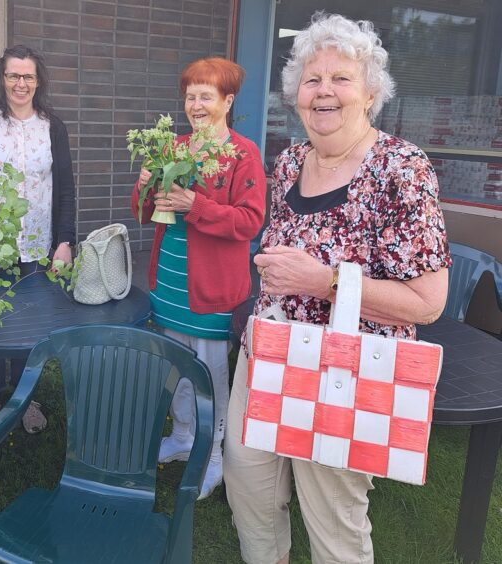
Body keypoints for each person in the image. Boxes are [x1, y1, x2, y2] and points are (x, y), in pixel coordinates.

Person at [222, 13, 452, 564]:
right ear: (296, 95)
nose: (324, 90)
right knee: (248, 484)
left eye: (341, 78)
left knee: (332, 517)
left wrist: (323, 281)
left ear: (371, 90)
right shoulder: (292, 160)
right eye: (311, 79)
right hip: (269, 353)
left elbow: (429, 302)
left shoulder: (401, 168)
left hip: (346, 371)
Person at [131, 57, 267, 500]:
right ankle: (185, 435)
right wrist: (145, 185)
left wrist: (198, 206)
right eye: (191, 96)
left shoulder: (243, 154)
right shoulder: (175, 148)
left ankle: (213, 456)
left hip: (211, 293)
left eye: (206, 96)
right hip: (170, 286)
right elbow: (148, 211)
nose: (196, 104)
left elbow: (249, 222)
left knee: (210, 376)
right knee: (177, 372)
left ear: (227, 101)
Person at [0, 45, 76, 432]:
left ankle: (27, 397)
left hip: (39, 246)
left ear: (37, 82)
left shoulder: (52, 127)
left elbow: (66, 189)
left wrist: (65, 240)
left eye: (27, 76)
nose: (20, 83)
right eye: (13, 76)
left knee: (33, 322)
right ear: (1, 79)